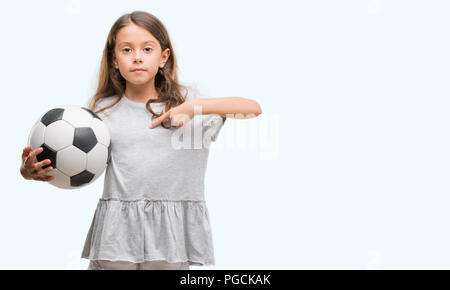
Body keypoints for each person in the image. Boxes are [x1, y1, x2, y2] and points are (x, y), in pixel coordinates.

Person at [20, 10, 262, 270]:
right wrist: (28, 171)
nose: (137, 57)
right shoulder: (101, 112)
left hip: (170, 240)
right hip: (116, 237)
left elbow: (253, 108)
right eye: (126, 50)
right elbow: (69, 162)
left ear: (163, 57)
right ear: (114, 60)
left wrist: (194, 107)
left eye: (147, 49)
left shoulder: (186, 105)